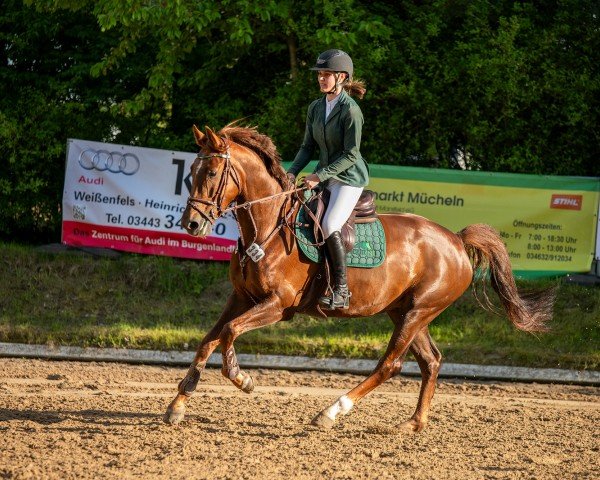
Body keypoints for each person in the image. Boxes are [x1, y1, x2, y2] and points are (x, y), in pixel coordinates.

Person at [287, 49, 369, 309]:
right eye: (320, 74)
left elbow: (351, 155)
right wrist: (291, 171)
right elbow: (306, 147)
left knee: (330, 223)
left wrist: (318, 176)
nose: (321, 79)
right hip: (323, 176)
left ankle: (342, 290)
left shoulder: (351, 111)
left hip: (348, 178)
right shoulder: (315, 107)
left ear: (342, 77)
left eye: (327, 75)